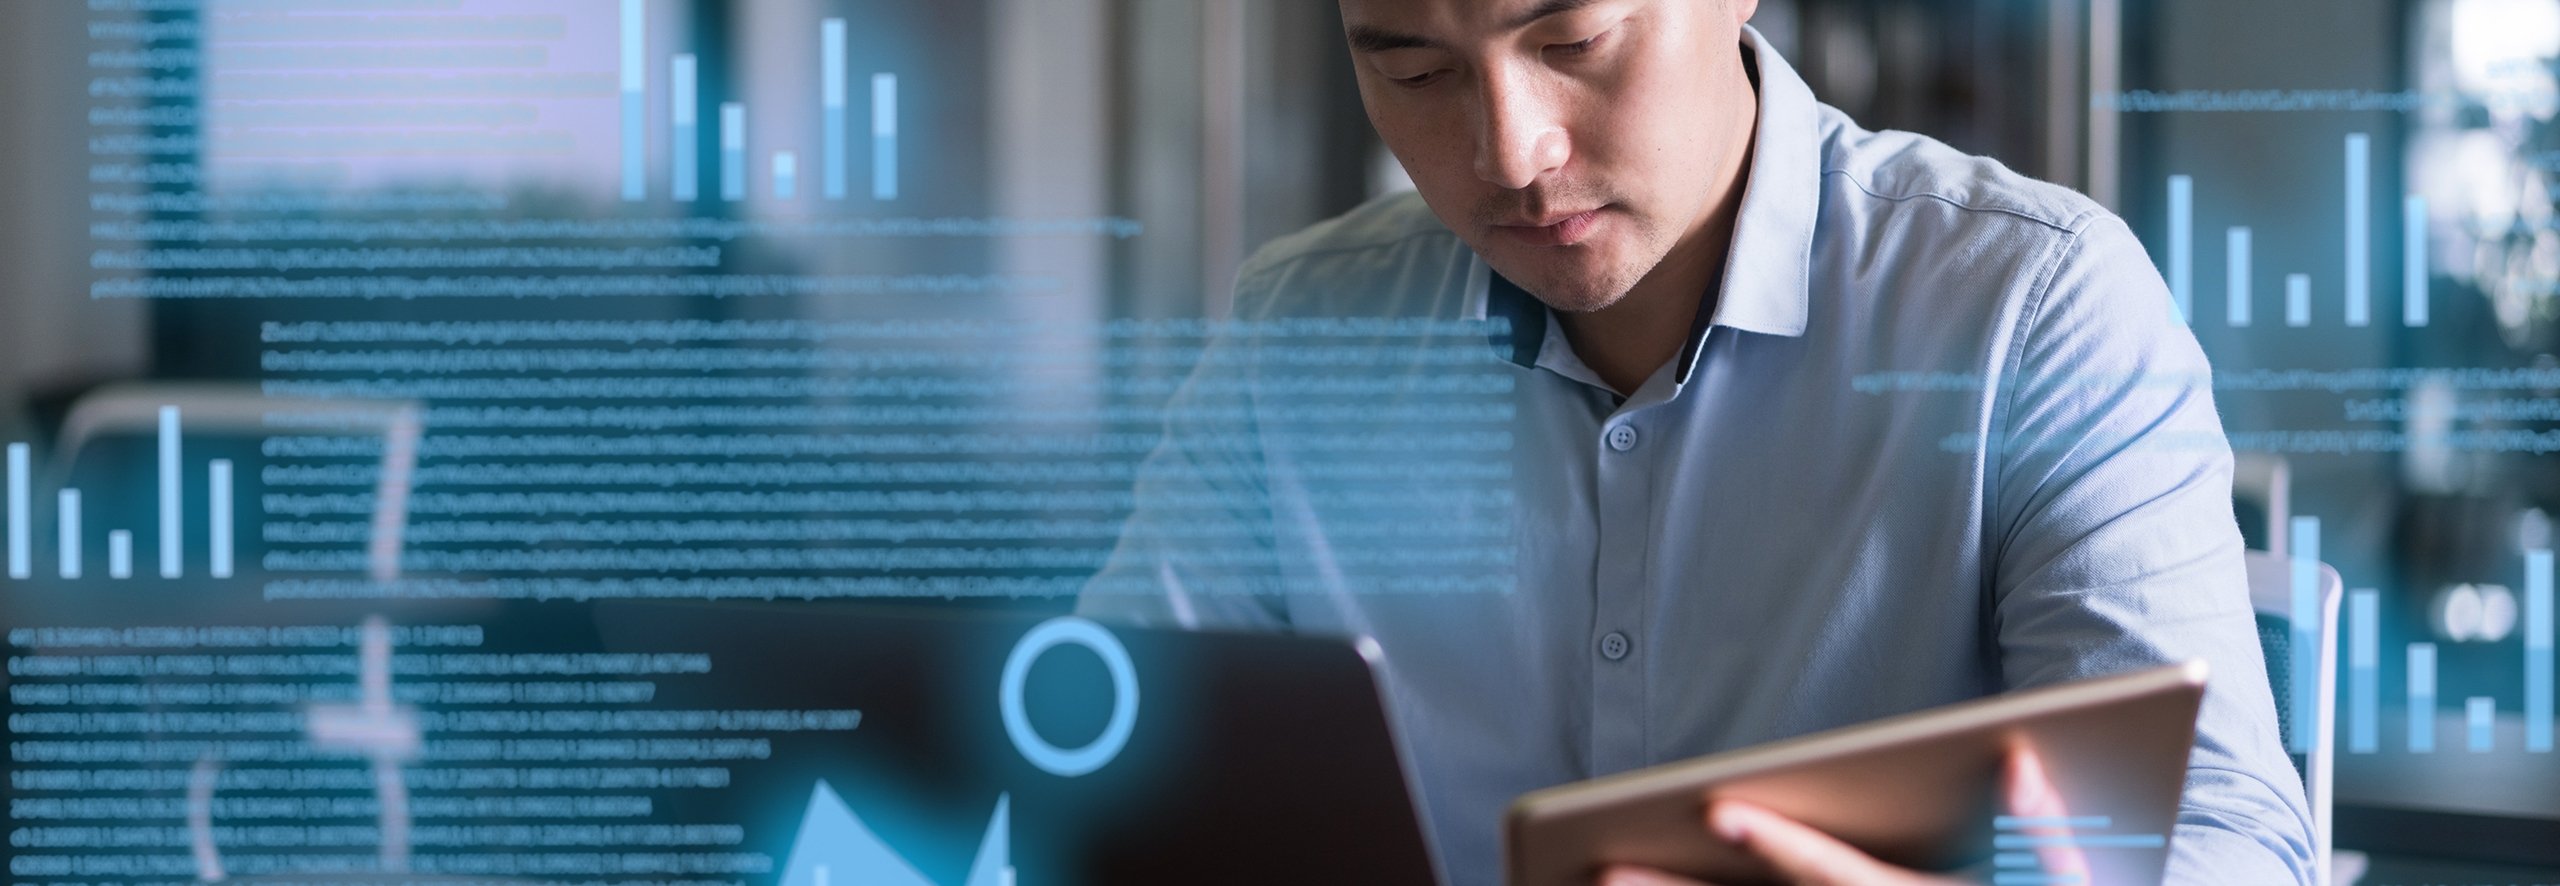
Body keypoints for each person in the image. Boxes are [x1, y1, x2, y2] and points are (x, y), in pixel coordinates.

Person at [1078, 0, 2318, 882]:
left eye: (1571, 40)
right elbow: (1089, 763)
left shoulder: (2030, 305)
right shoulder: (1304, 328)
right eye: (1414, 70)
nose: (1509, 152)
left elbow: (2227, 841)